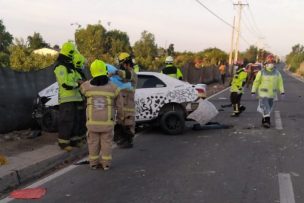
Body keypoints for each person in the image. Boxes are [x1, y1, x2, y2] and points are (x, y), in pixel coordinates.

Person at [80, 59, 121, 170]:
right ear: (105, 71)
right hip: (107, 122)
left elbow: (82, 90)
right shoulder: (113, 87)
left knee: (93, 143)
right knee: (106, 143)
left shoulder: (86, 86)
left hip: (92, 123)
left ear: (92, 72)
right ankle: (106, 164)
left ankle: (93, 163)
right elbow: (120, 104)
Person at [54, 42, 83, 151]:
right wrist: (78, 84)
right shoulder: (60, 67)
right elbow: (65, 84)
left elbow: (77, 79)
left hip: (76, 98)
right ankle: (63, 143)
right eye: (72, 52)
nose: (73, 55)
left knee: (76, 121)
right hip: (66, 100)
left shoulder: (71, 67)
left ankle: (74, 141)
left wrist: (80, 82)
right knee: (66, 121)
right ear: (68, 53)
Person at [251, 54, 285, 128]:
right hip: (263, 94)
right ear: (266, 63)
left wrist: (282, 92)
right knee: (265, 107)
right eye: (269, 62)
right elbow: (256, 82)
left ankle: (264, 119)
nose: (271, 64)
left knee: (269, 109)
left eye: (272, 62)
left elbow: (280, 83)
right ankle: (267, 122)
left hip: (272, 94)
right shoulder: (261, 72)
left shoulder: (277, 73)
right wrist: (253, 91)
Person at [114, 52, 137, 148]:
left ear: (126, 63)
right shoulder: (124, 74)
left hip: (128, 103)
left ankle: (128, 141)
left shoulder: (131, 73)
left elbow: (125, 75)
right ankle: (122, 140)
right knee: (120, 121)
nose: (121, 66)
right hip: (122, 102)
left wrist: (115, 72)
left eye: (121, 64)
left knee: (128, 122)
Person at [72, 52, 87, 146]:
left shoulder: (78, 72)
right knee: (78, 120)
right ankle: (76, 140)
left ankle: (81, 138)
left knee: (81, 120)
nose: (84, 65)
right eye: (83, 63)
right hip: (77, 100)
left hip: (80, 99)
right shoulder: (76, 73)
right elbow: (81, 85)